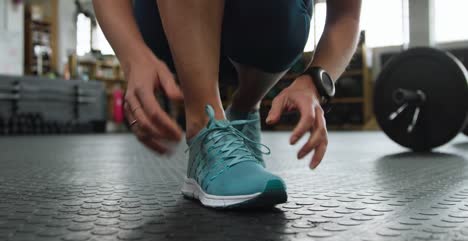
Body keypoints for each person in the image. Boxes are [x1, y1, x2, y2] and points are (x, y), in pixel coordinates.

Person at [93, 0, 362, 208]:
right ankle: (204, 124)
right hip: (162, 23)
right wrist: (132, 57)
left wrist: (314, 82)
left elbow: (346, 16)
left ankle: (245, 108)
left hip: (266, 24)